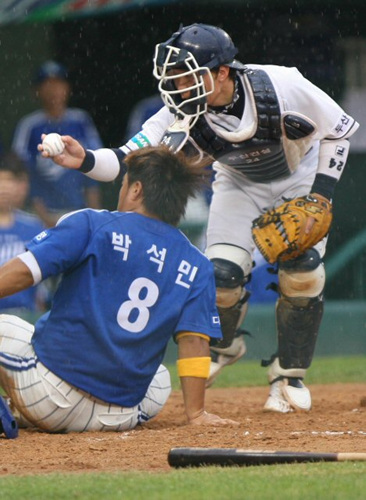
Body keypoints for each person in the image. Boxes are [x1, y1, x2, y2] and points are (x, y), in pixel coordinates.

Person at [38, 24, 359, 414]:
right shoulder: (178, 113)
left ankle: (289, 373)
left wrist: (320, 197)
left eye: (187, 75)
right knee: (220, 274)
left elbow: (340, 130)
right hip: (239, 184)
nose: (177, 85)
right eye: (174, 76)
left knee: (304, 270)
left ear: (222, 72)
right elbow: (125, 156)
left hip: (302, 176)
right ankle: (224, 345)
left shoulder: (282, 84)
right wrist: (83, 159)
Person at [0, 145, 238, 433]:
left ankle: (11, 412)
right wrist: (196, 413)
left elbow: (25, 272)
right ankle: (29, 411)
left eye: (124, 184)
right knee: (160, 378)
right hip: (117, 415)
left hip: (48, 397)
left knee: (7, 326)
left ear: (136, 189)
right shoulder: (197, 263)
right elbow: (195, 343)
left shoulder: (93, 223)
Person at [12, 60, 103, 227]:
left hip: (79, 211)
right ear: (36, 91)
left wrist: (95, 213)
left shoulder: (81, 120)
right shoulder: (29, 126)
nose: (53, 89)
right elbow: (22, 173)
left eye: (58, 83)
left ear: (68, 88)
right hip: (39, 215)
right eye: (47, 84)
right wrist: (43, 218)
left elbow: (95, 165)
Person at [0, 151, 46, 314]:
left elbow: (42, 288)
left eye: (9, 180)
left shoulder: (33, 226)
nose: (3, 187)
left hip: (25, 315)